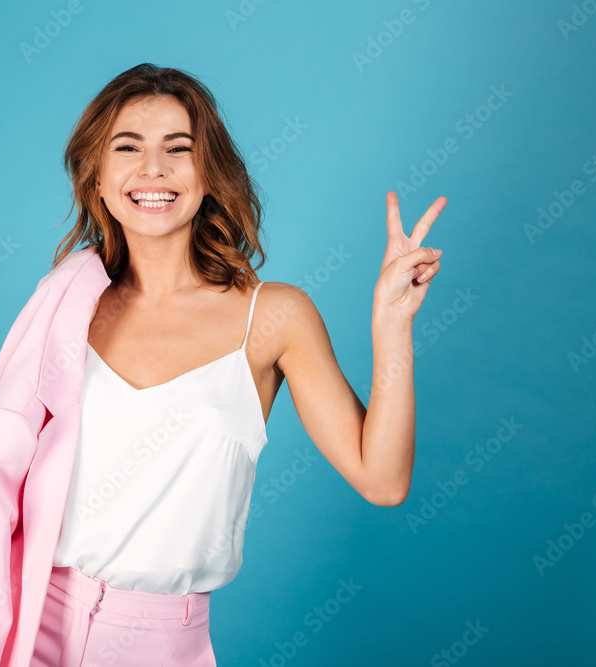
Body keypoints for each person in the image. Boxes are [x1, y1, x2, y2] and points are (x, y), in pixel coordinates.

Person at [25, 63, 447, 665]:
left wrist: (392, 325)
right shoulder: (63, 306)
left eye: (179, 148)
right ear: (96, 178)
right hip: (26, 626)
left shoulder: (274, 317)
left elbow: (382, 481)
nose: (153, 169)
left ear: (209, 175)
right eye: (128, 147)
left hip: (165, 642)